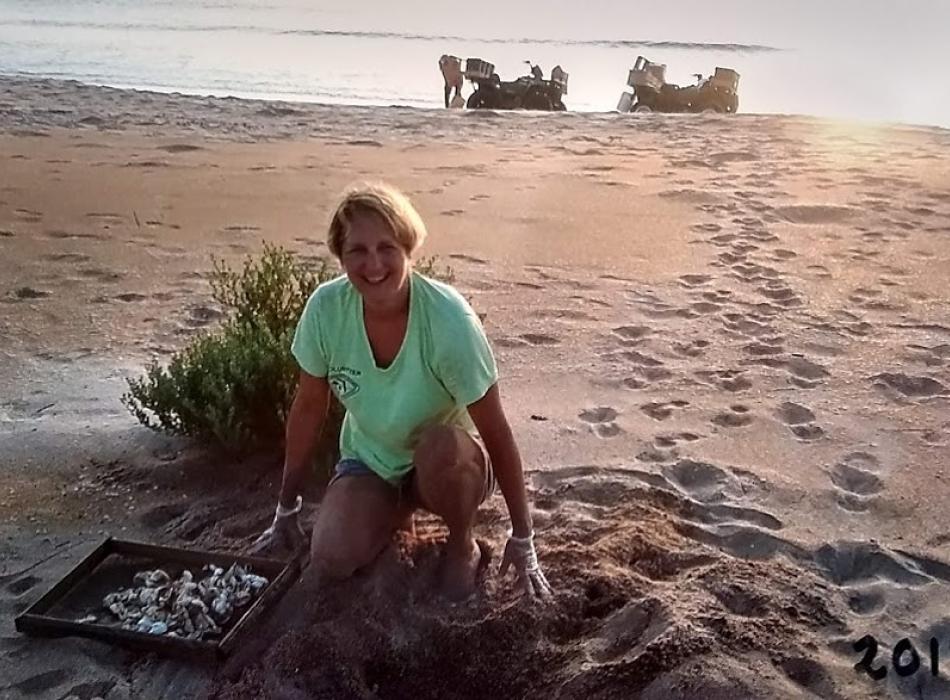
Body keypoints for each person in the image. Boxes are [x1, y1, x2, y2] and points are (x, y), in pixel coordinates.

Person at [253, 182, 552, 602]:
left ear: (408, 248)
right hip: (371, 460)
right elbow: (307, 409)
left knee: (442, 447)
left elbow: (497, 430)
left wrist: (524, 537)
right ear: (340, 256)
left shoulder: (449, 320)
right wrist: (286, 508)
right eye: (357, 250)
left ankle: (462, 541)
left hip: (446, 465)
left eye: (386, 247)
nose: (373, 263)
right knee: (332, 556)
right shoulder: (326, 310)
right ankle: (394, 513)